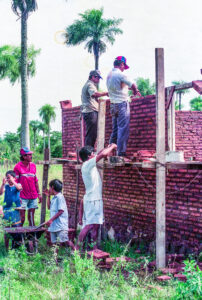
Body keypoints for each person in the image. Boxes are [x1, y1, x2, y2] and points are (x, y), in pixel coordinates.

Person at [77, 143, 117, 250]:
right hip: (92, 200)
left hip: (95, 200)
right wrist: (112, 147)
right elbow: (102, 155)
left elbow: (100, 154)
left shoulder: (89, 164)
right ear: (89, 156)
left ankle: (94, 250)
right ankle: (76, 249)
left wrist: (107, 147)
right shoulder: (87, 164)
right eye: (93, 153)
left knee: (96, 226)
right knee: (89, 225)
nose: (94, 154)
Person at [106, 56, 141, 158]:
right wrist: (135, 91)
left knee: (115, 129)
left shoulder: (110, 75)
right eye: (123, 66)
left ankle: (109, 152)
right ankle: (120, 153)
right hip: (121, 104)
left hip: (113, 105)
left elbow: (119, 87)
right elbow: (133, 84)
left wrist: (129, 89)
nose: (124, 68)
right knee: (123, 128)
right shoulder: (120, 74)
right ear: (121, 64)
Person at [43, 179, 75, 258]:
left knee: (65, 241)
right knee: (54, 244)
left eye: (49, 187)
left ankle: (76, 253)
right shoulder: (54, 198)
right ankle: (55, 260)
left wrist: (50, 220)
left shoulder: (60, 197)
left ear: (52, 187)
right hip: (54, 225)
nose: (49, 189)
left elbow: (61, 211)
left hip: (60, 225)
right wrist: (48, 196)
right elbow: (49, 207)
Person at [14, 147, 42, 226]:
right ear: (24, 156)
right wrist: (16, 197)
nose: (31, 156)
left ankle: (31, 236)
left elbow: (35, 181)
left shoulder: (33, 166)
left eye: (31, 154)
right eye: (29, 155)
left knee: (31, 217)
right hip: (22, 197)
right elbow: (15, 183)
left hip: (33, 196)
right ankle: (19, 236)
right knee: (22, 218)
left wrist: (39, 194)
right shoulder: (17, 167)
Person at [81, 70, 108, 148]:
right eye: (98, 78)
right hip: (90, 112)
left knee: (91, 134)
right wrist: (106, 93)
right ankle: (88, 153)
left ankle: (88, 152)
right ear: (93, 77)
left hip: (89, 112)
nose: (99, 80)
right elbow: (94, 94)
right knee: (91, 134)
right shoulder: (90, 85)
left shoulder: (88, 84)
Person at [0, 170, 22, 249]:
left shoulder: (17, 184)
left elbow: (19, 188)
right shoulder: (6, 186)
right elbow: (1, 193)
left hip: (15, 210)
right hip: (6, 210)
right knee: (7, 229)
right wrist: (3, 184)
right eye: (7, 178)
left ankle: (14, 246)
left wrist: (13, 181)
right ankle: (6, 248)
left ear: (14, 178)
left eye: (9, 178)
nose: (8, 180)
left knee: (15, 228)